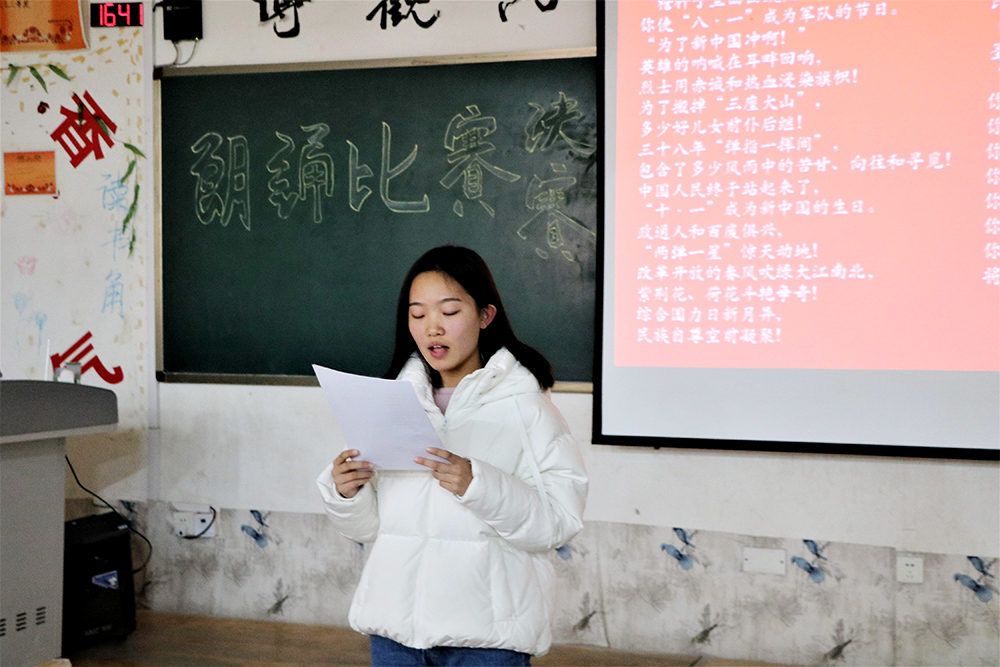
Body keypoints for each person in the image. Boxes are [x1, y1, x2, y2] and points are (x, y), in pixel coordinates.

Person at [316, 245, 588, 666]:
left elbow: (558, 522)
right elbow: (370, 530)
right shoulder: (392, 404)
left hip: (487, 640)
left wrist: (480, 485)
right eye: (418, 314)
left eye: (449, 311)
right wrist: (346, 493)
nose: (432, 328)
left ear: (485, 316)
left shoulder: (526, 407)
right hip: (396, 635)